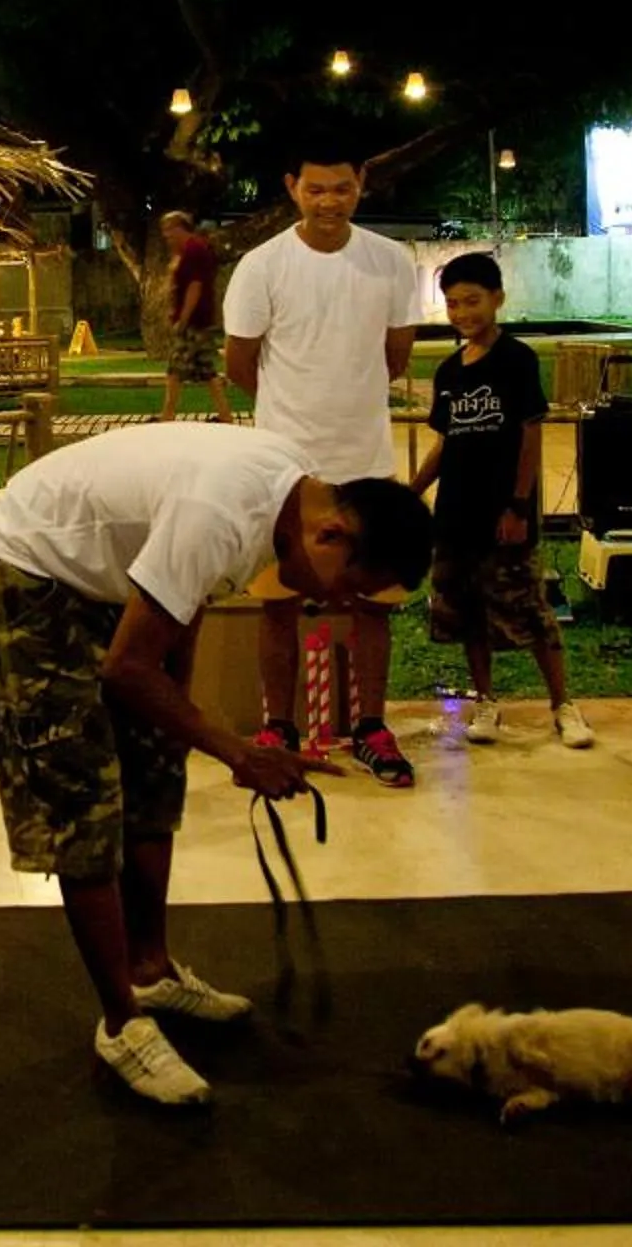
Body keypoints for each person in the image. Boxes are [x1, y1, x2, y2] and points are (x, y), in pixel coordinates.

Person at [0, 421, 434, 1105]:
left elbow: (184, 600)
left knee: (158, 761)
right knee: (79, 796)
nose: (333, 604)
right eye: (348, 587)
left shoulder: (292, 492)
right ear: (331, 535)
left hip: (103, 582)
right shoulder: (222, 509)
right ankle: (122, 1023)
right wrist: (241, 751)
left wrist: (181, 719)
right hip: (27, 573)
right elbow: (126, 668)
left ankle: (150, 968)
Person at [221, 136, 420, 785]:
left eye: (341, 188)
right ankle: (280, 724)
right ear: (291, 187)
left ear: (363, 182)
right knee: (277, 599)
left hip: (366, 458)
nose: (329, 201)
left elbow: (396, 357)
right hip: (284, 469)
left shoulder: (391, 262)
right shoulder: (261, 266)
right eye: (315, 189)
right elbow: (240, 364)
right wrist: (291, 417)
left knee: (374, 601)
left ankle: (370, 726)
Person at [410, 253, 590, 748]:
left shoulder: (517, 360)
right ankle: (486, 702)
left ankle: (563, 706)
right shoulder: (449, 372)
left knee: (528, 610)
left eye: (472, 301)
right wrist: (412, 492)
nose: (463, 312)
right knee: (467, 613)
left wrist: (517, 505)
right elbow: (446, 443)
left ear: (497, 300)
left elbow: (531, 436)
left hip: (502, 513)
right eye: (452, 304)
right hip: (455, 514)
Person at [156, 210, 235, 424]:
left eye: (169, 231)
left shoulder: (194, 250)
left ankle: (168, 415)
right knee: (207, 370)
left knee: (175, 367)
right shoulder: (187, 251)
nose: (166, 236)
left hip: (193, 322)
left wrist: (183, 318)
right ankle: (225, 415)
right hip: (199, 321)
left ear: (180, 228)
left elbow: (195, 286)